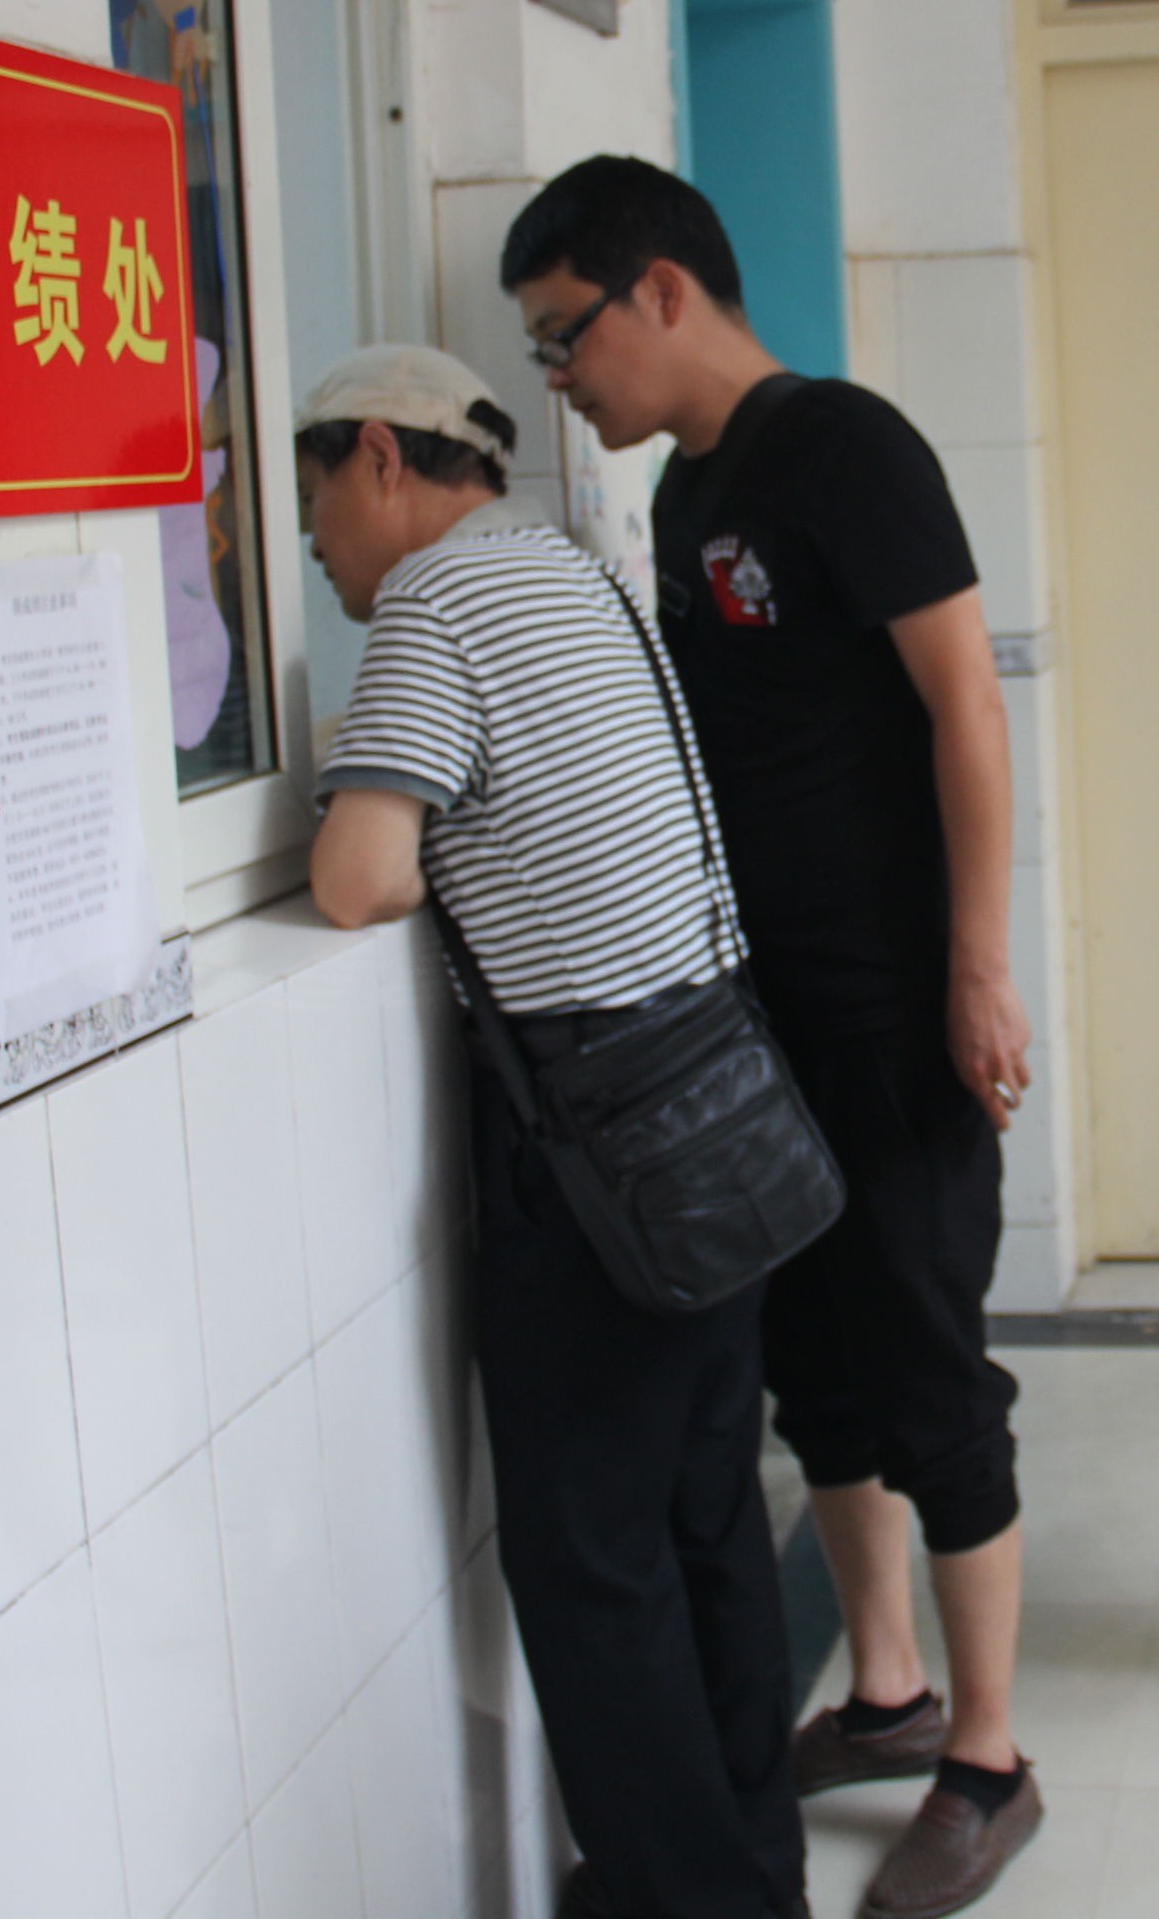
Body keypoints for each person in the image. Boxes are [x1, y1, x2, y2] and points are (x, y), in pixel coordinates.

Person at [502, 159, 1042, 1919]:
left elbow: (964, 706)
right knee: (815, 1368)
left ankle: (989, 1754)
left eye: (565, 335)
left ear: (661, 289)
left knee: (929, 1370)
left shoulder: (847, 449)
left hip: (892, 1007)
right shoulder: (687, 490)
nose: (559, 377)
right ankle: (885, 1689)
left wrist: (978, 966)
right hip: (756, 1023)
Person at [296, 345, 805, 1919]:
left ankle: (678, 1899)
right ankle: (753, 1880)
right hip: (719, 1099)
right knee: (709, 1520)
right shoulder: (574, 572)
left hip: (602, 1154)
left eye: (316, 510)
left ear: (381, 459)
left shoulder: (432, 606)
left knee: (589, 1562)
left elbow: (360, 878)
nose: (316, 553)